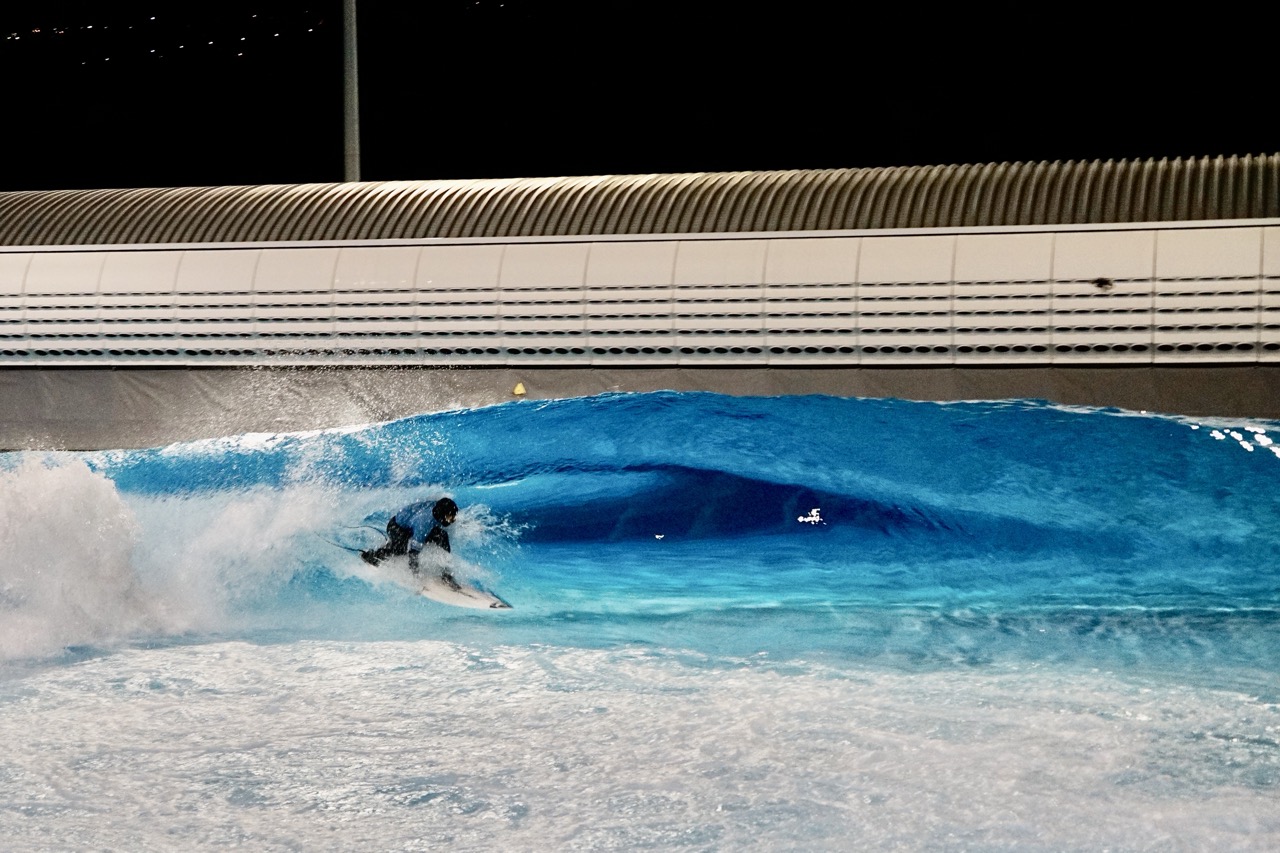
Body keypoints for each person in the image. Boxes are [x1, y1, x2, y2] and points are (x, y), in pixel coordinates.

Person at [361, 497, 460, 588]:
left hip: (412, 522)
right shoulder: (424, 524)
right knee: (402, 549)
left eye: (453, 517)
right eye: (450, 517)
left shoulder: (437, 509)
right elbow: (413, 554)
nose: (452, 521)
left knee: (442, 537)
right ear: (442, 514)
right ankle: (373, 556)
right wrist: (416, 577)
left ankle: (446, 574)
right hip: (396, 527)